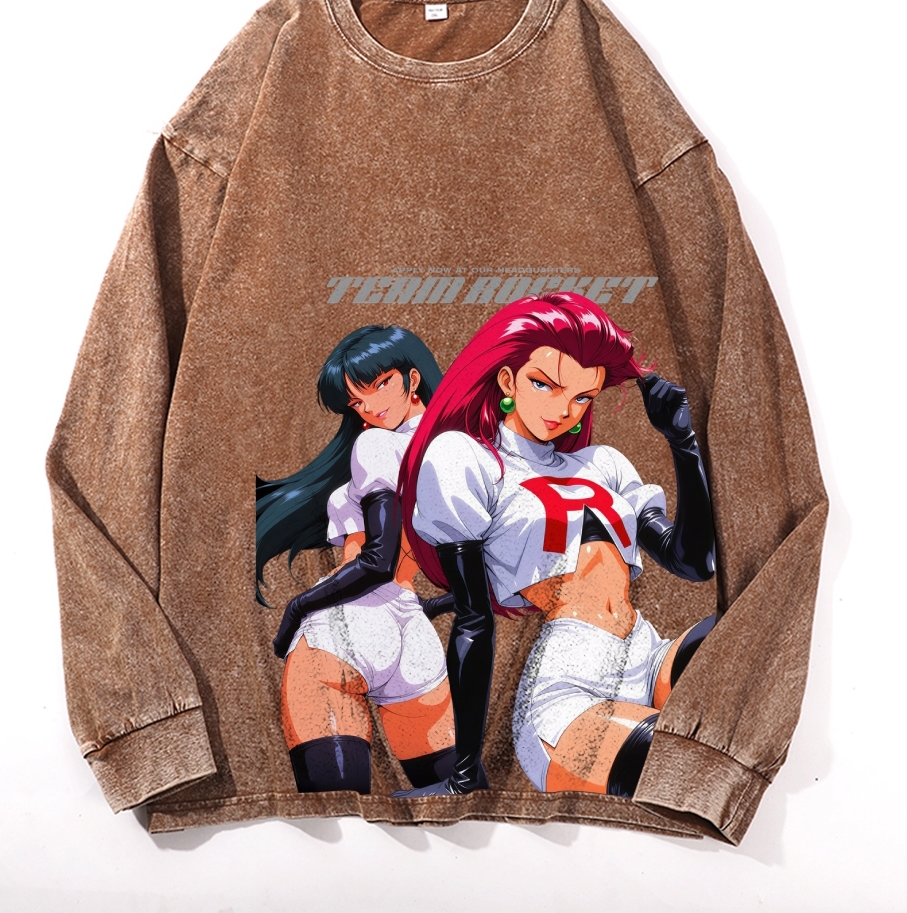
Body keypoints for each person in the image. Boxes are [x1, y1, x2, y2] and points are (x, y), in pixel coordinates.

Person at [393, 293, 717, 797]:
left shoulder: (603, 464)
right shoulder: (466, 459)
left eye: (582, 397)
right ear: (507, 380)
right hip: (568, 694)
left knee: (748, 631)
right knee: (685, 760)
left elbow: (693, 562)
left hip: (649, 653)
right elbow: (474, 621)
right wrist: (464, 772)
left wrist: (683, 443)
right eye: (544, 384)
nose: (563, 409)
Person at [256, 325, 457, 795]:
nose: (369, 407)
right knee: (452, 814)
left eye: (379, 384)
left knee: (337, 817)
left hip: (342, 629)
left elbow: (378, 560)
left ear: (412, 378)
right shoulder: (463, 453)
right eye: (356, 400)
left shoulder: (376, 445)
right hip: (416, 640)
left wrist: (298, 607)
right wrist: (427, 607)